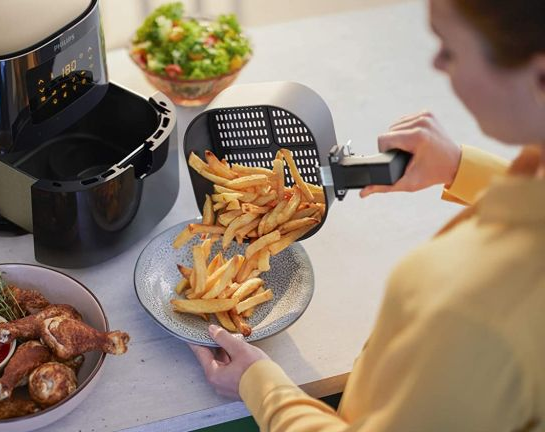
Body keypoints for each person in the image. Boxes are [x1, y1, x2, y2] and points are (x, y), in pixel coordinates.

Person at [190, 0, 545, 430]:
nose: (435, 61)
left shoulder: (482, 312)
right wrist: (460, 168)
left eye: (449, 49)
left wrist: (258, 383)